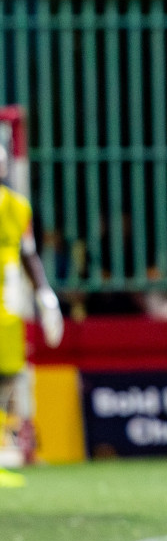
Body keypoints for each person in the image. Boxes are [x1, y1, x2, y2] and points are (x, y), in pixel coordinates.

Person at [0, 142, 64, 484]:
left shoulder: (17, 207)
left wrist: (45, 296)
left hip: (7, 305)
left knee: (8, 374)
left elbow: (29, 255)